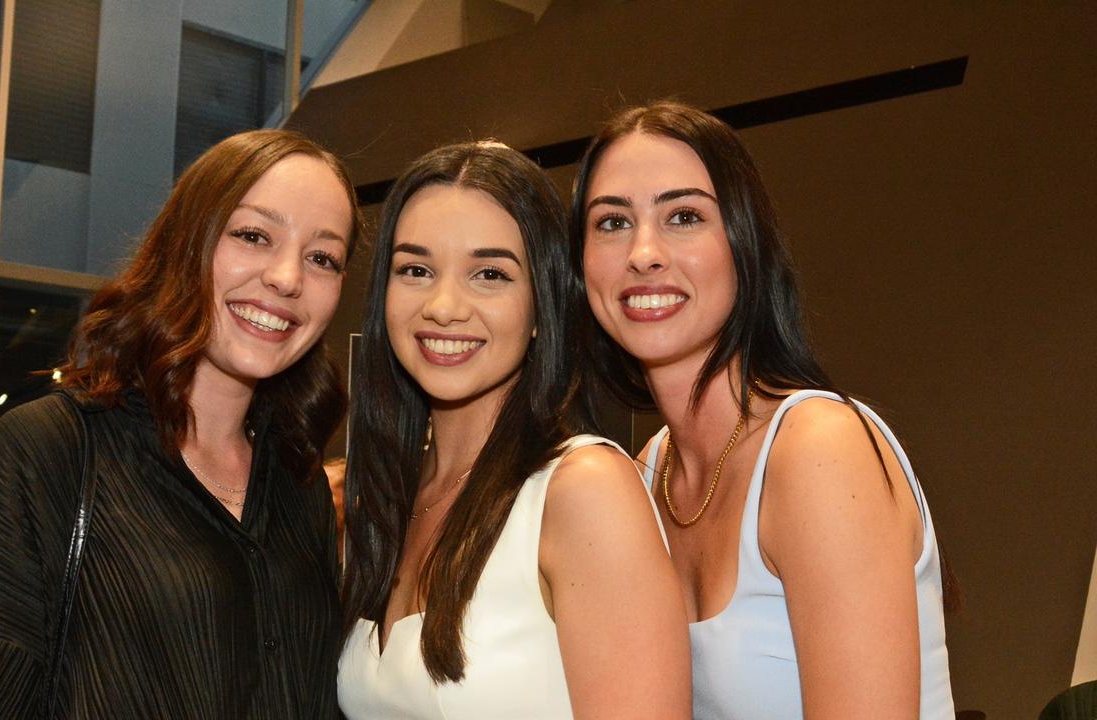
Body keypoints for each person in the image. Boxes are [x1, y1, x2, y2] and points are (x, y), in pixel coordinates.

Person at [0, 129, 360, 719]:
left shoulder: (297, 480)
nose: (287, 277)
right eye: (253, 235)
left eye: (322, 257)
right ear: (186, 245)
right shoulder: (49, 451)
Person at [570, 100, 955, 719]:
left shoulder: (818, 448)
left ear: (744, 243)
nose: (643, 252)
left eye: (684, 215)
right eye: (612, 223)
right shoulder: (651, 471)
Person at [338, 140, 690, 719]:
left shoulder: (582, 490)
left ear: (540, 307)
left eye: (490, 274)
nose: (444, 306)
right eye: (416, 269)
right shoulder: (383, 498)